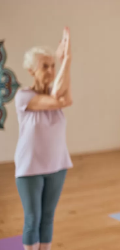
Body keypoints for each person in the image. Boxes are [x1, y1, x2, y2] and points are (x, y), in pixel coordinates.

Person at [15, 27, 73, 250]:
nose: (50, 71)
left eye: (53, 66)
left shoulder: (55, 94)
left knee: (48, 218)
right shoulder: (24, 96)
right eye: (44, 66)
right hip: (30, 168)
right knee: (32, 220)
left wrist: (65, 62)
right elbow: (58, 101)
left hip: (58, 166)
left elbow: (63, 99)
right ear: (31, 70)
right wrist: (67, 58)